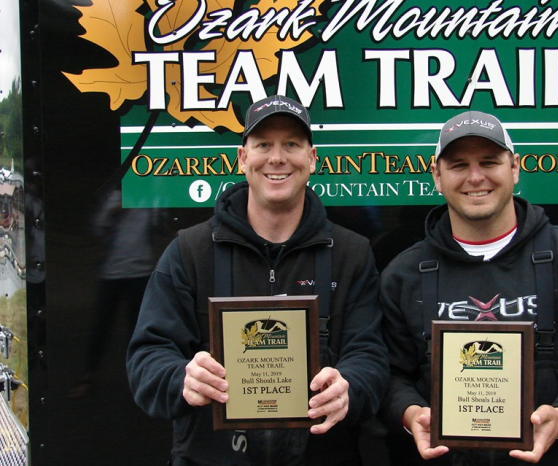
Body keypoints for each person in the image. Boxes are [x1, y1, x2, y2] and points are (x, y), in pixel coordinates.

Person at [126, 95, 388, 466]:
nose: (277, 158)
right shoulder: (190, 251)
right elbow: (147, 357)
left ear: (312, 158)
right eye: (263, 144)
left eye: (291, 144)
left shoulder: (351, 253)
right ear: (242, 158)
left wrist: (351, 388)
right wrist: (181, 378)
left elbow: (370, 355)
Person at [379, 110, 558, 465]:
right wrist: (409, 411)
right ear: (437, 177)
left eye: (489, 162)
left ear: (515, 168)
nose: (476, 177)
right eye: (458, 165)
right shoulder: (404, 274)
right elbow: (386, 373)